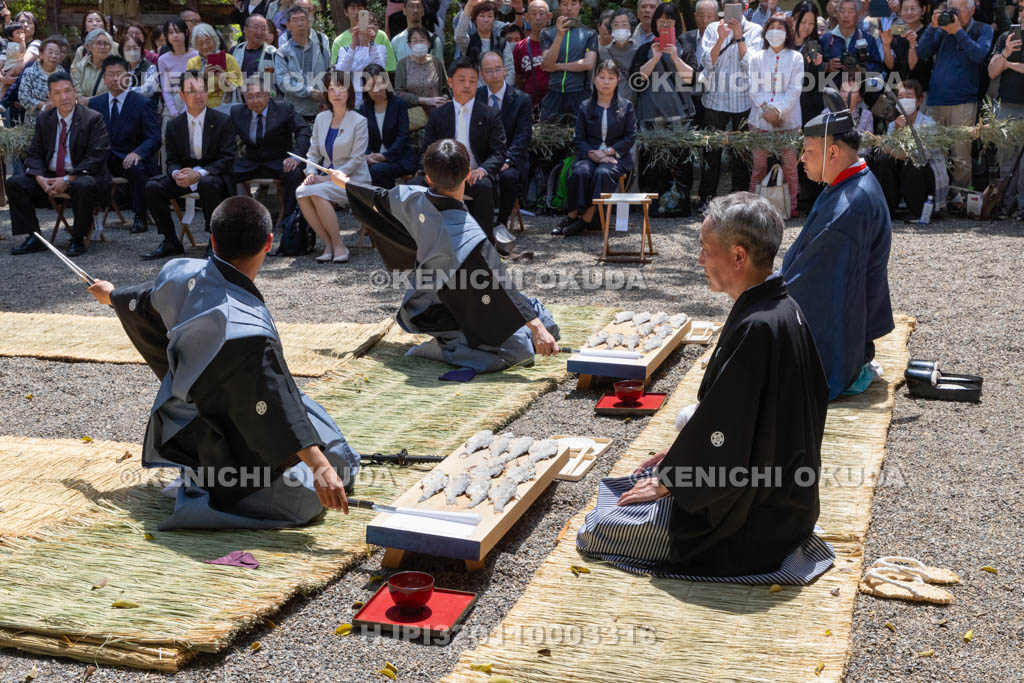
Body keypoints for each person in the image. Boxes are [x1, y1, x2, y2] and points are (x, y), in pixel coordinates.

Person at [576, 192, 831, 580]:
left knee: (596, 530)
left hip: (752, 524)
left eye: (705, 249)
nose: (699, 260)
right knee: (627, 487)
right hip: (788, 502)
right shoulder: (782, 307)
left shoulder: (760, 325)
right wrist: (678, 454)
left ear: (739, 257)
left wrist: (674, 479)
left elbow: (727, 434)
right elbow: (735, 421)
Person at [86, 196, 358, 531]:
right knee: (313, 494)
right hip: (221, 439)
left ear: (213, 241)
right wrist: (320, 467)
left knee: (328, 445)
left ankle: (200, 473)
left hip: (191, 421)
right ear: (269, 244)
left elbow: (140, 302)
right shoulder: (249, 332)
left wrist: (111, 295)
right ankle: (207, 485)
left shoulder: (178, 273)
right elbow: (275, 402)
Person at [334, 138, 562, 373]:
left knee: (547, 324)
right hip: (436, 307)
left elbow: (377, 197)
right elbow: (500, 282)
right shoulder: (467, 233)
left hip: (463, 293)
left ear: (429, 178)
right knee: (521, 350)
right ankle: (444, 349)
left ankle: (478, 338)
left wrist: (346, 183)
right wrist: (535, 328)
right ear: (467, 175)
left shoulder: (410, 197)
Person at [781, 105, 894, 400]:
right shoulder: (853, 182)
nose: (802, 158)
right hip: (849, 314)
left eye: (808, 151)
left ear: (833, 153)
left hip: (839, 336)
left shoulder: (851, 204)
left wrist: (770, 296)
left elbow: (815, 285)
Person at [8, 72, 111, 257]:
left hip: (82, 175)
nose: (64, 97)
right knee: (15, 183)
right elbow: (35, 154)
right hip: (49, 176)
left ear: (75, 92)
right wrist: (39, 178)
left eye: (68, 91)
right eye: (57, 93)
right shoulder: (44, 119)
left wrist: (68, 178)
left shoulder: (93, 118)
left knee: (83, 184)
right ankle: (34, 237)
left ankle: (78, 238)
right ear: (50, 97)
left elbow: (97, 156)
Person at [144, 71, 237, 260]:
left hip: (213, 174)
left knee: (207, 184)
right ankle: (170, 240)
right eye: (192, 91)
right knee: (152, 187)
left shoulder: (222, 121)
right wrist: (177, 173)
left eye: (202, 90)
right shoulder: (174, 124)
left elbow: (228, 158)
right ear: (182, 95)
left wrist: (200, 173)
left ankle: (215, 242)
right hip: (185, 174)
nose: (198, 95)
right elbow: (171, 160)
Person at [419, 57, 507, 243]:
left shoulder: (489, 114)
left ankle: (484, 245)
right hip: (441, 176)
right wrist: (434, 173)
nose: (467, 85)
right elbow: (425, 150)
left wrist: (482, 170)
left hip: (472, 176)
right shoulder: (438, 115)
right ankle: (420, 244)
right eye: (461, 80)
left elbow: (498, 152)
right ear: (450, 82)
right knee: (414, 184)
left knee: (483, 187)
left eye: (472, 81)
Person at [915, 0, 993, 194]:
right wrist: (933, 28)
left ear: (972, 9)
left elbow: (979, 55)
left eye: (959, 10)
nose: (954, 14)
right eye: (951, 9)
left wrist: (958, 31)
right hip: (936, 101)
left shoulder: (983, 29)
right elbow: (922, 52)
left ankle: (960, 197)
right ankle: (936, 195)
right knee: (934, 153)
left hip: (963, 102)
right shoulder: (942, 30)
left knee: (961, 156)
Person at [296, 70, 371, 263]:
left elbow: (356, 160)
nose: (336, 93)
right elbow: (312, 153)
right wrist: (311, 173)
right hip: (326, 180)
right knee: (302, 191)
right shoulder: (321, 119)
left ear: (349, 93)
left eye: (341, 88)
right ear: (327, 94)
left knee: (318, 192)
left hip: (353, 180)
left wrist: (328, 178)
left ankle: (338, 244)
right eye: (331, 89)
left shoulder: (359, 121)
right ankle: (328, 243)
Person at [554, 60, 636, 236]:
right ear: (594, 79)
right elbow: (579, 138)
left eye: (611, 78)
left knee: (603, 173)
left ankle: (586, 219)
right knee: (580, 172)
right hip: (589, 155)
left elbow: (630, 137)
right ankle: (571, 215)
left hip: (615, 158)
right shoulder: (585, 106)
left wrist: (607, 152)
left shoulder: (626, 106)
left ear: (618, 81)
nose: (606, 82)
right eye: (602, 77)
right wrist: (594, 155)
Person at [630, 2, 697, 214]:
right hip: (650, 119)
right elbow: (635, 82)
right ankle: (653, 206)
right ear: (655, 23)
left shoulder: (685, 48)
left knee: (680, 165)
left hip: (679, 119)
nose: (665, 25)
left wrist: (675, 58)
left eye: (670, 21)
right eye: (661, 21)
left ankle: (678, 206)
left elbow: (692, 80)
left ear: (677, 24)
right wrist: (655, 58)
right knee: (652, 164)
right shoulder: (644, 49)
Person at [698, 0, 762, 209]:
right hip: (715, 98)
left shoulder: (755, 30)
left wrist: (738, 36)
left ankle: (739, 201)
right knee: (711, 151)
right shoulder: (712, 28)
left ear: (745, 8)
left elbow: (752, 65)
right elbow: (707, 62)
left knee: (741, 153)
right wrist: (720, 39)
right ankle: (706, 198)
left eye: (737, 4)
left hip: (743, 100)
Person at [88, 56, 161, 235]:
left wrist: (138, 153)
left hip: (131, 156)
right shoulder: (95, 103)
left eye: (119, 74)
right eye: (110, 74)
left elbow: (154, 138)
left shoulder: (142, 103)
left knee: (136, 169)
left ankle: (140, 216)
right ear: (103, 78)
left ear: (128, 76)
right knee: (83, 172)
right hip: (104, 158)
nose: (114, 79)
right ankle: (87, 219)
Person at [231, 77, 311, 221]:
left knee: (295, 174)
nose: (255, 100)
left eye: (259, 95)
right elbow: (227, 138)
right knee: (224, 174)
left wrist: (295, 157)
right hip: (251, 162)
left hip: (279, 161)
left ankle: (290, 219)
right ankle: (234, 217)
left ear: (268, 95)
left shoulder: (284, 109)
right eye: (250, 96)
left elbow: (304, 132)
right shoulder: (237, 112)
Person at [748, 17, 804, 218]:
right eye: (771, 28)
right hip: (760, 119)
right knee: (759, 166)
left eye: (780, 28)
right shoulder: (756, 58)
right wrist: (768, 112)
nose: (775, 31)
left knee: (790, 166)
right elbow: (754, 89)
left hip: (788, 120)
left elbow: (794, 89)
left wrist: (778, 112)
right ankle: (753, 208)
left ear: (788, 32)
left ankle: (790, 205)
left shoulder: (796, 57)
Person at [869, 79, 949, 219]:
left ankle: (917, 210)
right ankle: (887, 209)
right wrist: (897, 131)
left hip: (924, 171)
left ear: (918, 101)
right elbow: (887, 150)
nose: (903, 100)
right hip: (901, 166)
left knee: (913, 163)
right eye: (900, 97)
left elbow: (921, 156)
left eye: (909, 96)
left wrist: (886, 146)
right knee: (883, 161)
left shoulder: (927, 124)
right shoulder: (894, 124)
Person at [476, 51, 532, 238]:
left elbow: (523, 136)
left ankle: (500, 223)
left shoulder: (521, 99)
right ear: (482, 75)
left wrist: (506, 160)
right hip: (482, 159)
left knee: (508, 177)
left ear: (505, 71)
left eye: (498, 69)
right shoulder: (476, 96)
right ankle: (477, 224)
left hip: (511, 160)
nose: (494, 75)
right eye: (489, 71)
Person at [988, 12, 1024, 219]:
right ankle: (1005, 205)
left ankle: (1021, 207)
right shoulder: (1006, 37)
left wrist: (1008, 65)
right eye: (1022, 9)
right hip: (1007, 107)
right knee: (1007, 161)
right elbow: (992, 72)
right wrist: (1006, 54)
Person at [360, 63, 417, 188]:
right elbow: (365, 137)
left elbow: (403, 136)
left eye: (380, 84)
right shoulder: (364, 108)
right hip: (374, 158)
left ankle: (387, 204)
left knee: (377, 171)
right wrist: (368, 155)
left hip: (399, 157)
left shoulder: (399, 104)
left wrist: (385, 156)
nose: (376, 89)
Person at [539, 0, 597, 121]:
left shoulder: (589, 33)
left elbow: (588, 64)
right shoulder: (547, 33)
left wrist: (558, 66)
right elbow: (548, 63)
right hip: (553, 93)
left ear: (580, 5)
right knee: (548, 135)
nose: (569, 8)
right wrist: (559, 35)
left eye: (573, 4)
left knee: (579, 135)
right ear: (559, 6)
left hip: (579, 93)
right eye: (565, 4)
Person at [274, 5, 332, 122]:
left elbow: (328, 72)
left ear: (308, 22)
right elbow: (283, 81)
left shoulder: (320, 47)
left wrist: (328, 99)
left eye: (302, 19)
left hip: (321, 109)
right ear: (288, 25)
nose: (300, 24)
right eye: (295, 20)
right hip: (295, 111)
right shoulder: (282, 52)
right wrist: (309, 92)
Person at [334, 11, 387, 109]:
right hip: (353, 101)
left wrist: (372, 43)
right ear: (356, 25)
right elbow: (340, 72)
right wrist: (353, 46)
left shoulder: (380, 48)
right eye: (366, 21)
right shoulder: (345, 50)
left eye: (374, 23)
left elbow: (380, 70)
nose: (370, 25)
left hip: (374, 100)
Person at [187, 23, 243, 110]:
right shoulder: (193, 63)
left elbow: (237, 89)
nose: (205, 46)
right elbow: (190, 90)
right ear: (195, 46)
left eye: (208, 41)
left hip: (226, 108)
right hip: (202, 109)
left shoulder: (229, 59)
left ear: (215, 40)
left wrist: (222, 77)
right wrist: (203, 76)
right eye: (200, 43)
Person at [820, 0, 885, 74]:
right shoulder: (825, 39)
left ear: (858, 15)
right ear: (837, 14)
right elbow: (813, 66)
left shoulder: (868, 39)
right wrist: (827, 67)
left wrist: (860, 70)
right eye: (842, 11)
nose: (846, 15)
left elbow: (878, 67)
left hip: (859, 84)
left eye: (851, 11)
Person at [395, 26, 448, 115]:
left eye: (422, 40)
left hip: (437, 113)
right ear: (409, 45)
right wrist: (424, 100)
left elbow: (445, 88)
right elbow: (399, 93)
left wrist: (444, 98)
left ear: (429, 43)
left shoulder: (436, 61)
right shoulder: (402, 64)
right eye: (415, 41)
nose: (419, 44)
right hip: (414, 116)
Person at [331, 0, 398, 71]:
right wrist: (353, 46)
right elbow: (337, 71)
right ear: (346, 12)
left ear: (366, 11)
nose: (356, 12)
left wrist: (372, 44)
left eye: (360, 8)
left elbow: (386, 68)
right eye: (352, 8)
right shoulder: (339, 41)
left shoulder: (380, 35)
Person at [17, 37, 66, 126]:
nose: (54, 56)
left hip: (59, 122)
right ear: (41, 55)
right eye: (50, 52)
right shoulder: (30, 72)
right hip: (34, 123)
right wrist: (43, 105)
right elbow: (23, 97)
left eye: (57, 53)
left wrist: (56, 104)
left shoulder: (63, 74)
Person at [513, 0, 551, 111]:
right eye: (533, 14)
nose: (538, 18)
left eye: (541, 13)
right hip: (530, 105)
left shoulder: (557, 44)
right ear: (527, 17)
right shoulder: (520, 47)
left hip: (555, 103)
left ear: (549, 17)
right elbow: (519, 78)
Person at [158, 17, 199, 119]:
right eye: (171, 32)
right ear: (166, 35)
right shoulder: (163, 60)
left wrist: (187, 110)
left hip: (195, 100)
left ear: (186, 32)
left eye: (178, 32)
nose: (175, 36)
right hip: (173, 102)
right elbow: (166, 89)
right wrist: (174, 112)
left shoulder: (196, 55)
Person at [890, 0, 933, 92]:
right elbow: (889, 64)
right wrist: (885, 45)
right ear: (900, 11)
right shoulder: (895, 30)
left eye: (913, 9)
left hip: (921, 90)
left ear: (923, 10)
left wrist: (912, 46)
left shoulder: (929, 32)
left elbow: (913, 67)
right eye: (905, 9)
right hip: (895, 89)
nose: (909, 12)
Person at [600, 8, 639, 101]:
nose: (620, 28)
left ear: (631, 27)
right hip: (610, 102)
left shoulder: (638, 51)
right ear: (611, 28)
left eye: (624, 25)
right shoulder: (604, 52)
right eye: (616, 25)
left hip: (634, 104)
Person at [457, 0, 506, 73]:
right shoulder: (468, 41)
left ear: (494, 19)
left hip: (498, 83)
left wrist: (502, 84)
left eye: (490, 16)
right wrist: (469, 6)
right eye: (482, 16)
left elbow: (509, 69)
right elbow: (459, 35)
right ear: (475, 19)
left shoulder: (502, 42)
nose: (486, 20)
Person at [231, 14, 278, 82]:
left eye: (263, 29)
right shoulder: (235, 51)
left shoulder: (273, 53)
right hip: (239, 91)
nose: (259, 32)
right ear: (245, 29)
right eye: (255, 28)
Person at [71, 29, 113, 102]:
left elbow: (113, 94)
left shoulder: (115, 67)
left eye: (106, 44)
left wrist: (90, 100)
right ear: (89, 47)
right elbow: (76, 93)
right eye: (98, 43)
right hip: (84, 110)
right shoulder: (80, 67)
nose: (102, 47)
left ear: (110, 48)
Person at [121, 33, 159, 100]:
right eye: (128, 49)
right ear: (122, 51)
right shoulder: (120, 67)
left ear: (140, 50)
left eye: (135, 48)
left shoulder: (150, 68)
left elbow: (148, 90)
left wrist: (122, 91)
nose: (132, 52)